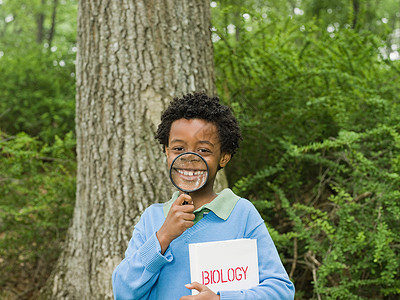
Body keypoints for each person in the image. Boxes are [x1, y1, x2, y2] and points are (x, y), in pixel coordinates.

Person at [112, 92, 295, 299]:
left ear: (224, 158)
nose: (189, 158)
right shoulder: (152, 219)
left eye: (204, 150)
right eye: (179, 148)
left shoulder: (241, 214)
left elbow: (281, 291)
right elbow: (123, 292)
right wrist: (163, 236)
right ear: (166, 151)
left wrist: (220, 299)